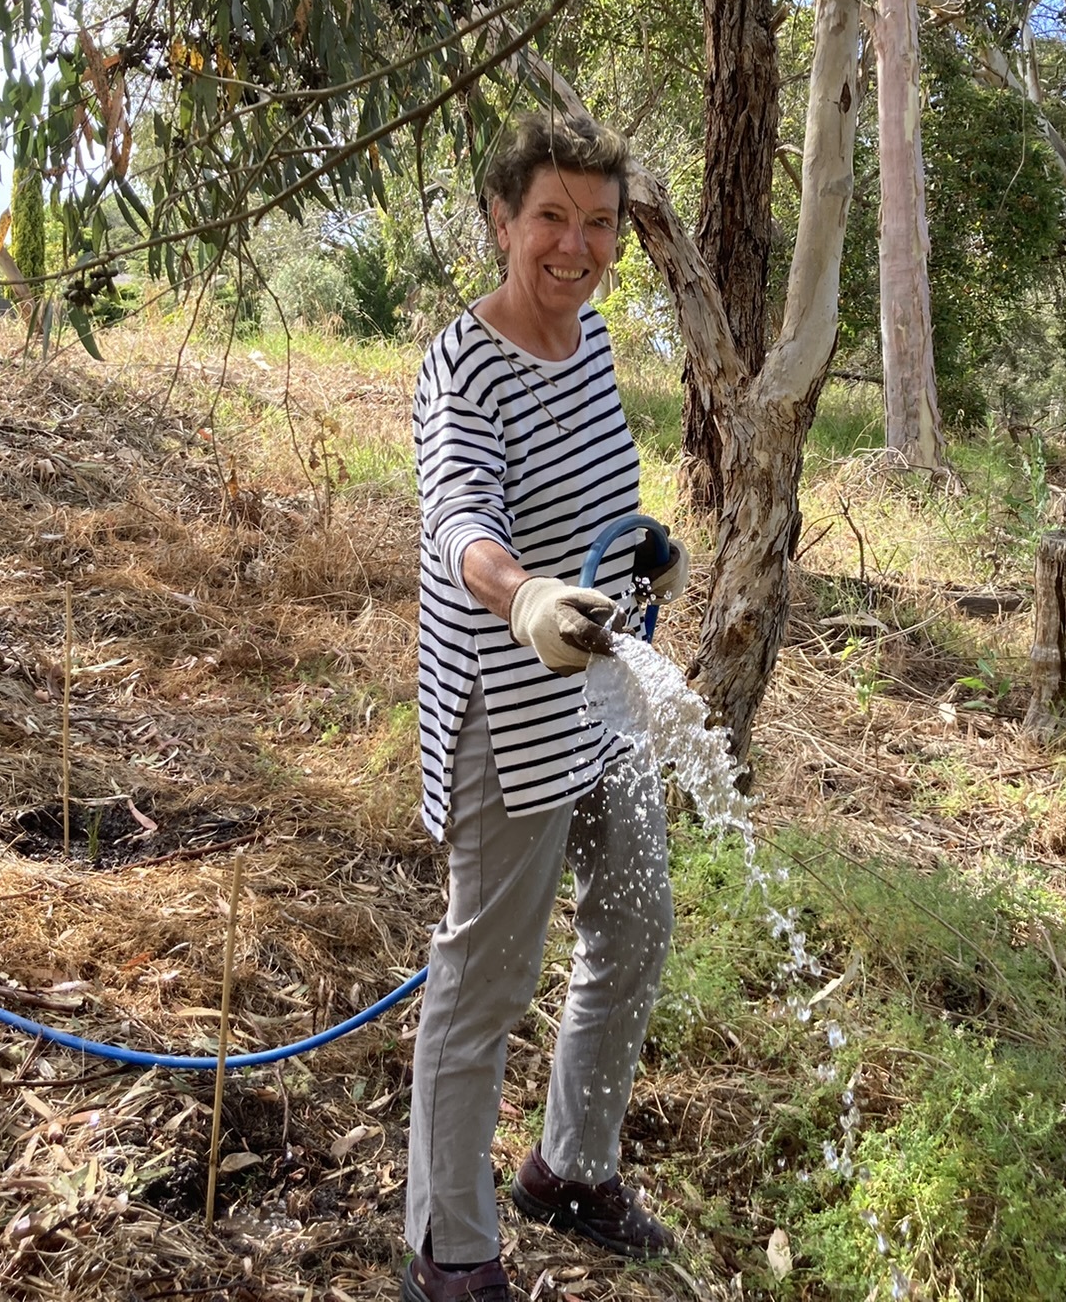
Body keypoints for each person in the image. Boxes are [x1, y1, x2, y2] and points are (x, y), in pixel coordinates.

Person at [402, 112, 691, 1302]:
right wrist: (519, 595)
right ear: (501, 222)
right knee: (482, 988)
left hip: (599, 691)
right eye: (550, 220)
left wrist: (637, 559)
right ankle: (449, 1248)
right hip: (503, 718)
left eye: (599, 223)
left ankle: (569, 1169)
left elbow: (593, 499)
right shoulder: (461, 364)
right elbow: (458, 510)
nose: (574, 247)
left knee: (631, 926)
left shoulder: (594, 343)